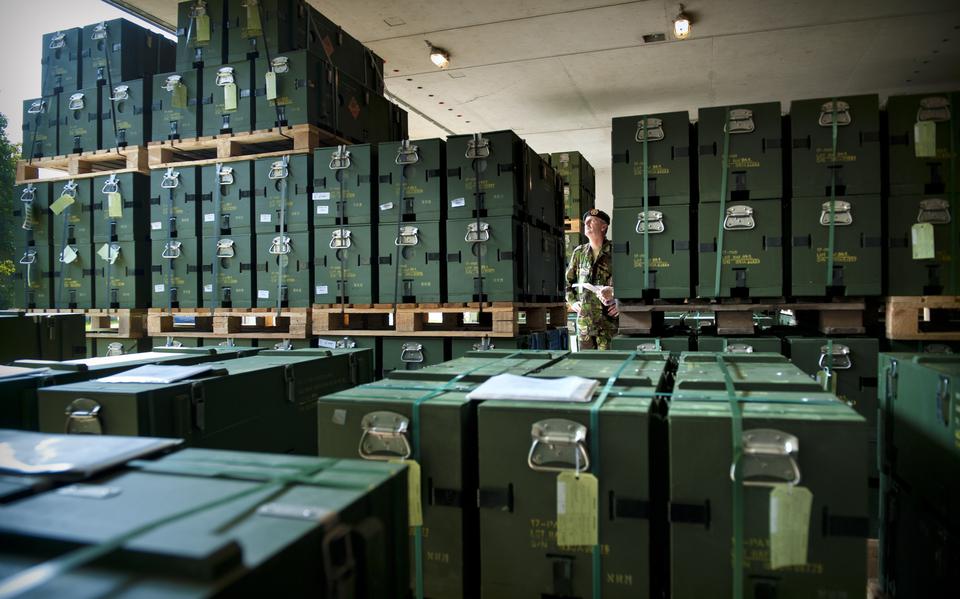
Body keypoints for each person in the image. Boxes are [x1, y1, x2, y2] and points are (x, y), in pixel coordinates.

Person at [565, 208, 619, 350]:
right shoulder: (579, 253)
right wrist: (573, 301)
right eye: (585, 222)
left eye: (591, 221)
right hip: (585, 324)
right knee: (586, 365)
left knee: (609, 366)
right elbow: (567, 283)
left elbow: (630, 283)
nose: (586, 224)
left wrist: (621, 302)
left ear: (603, 226)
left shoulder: (616, 251)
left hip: (609, 322)